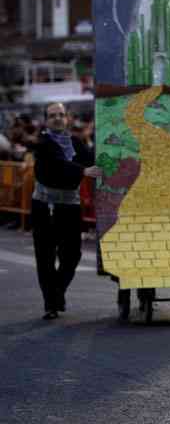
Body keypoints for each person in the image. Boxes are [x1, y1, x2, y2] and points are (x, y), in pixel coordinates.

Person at [32, 102, 102, 320]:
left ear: (67, 118)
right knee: (45, 257)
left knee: (72, 255)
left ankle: (57, 292)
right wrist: (83, 171)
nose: (57, 118)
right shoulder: (43, 143)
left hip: (70, 207)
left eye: (61, 115)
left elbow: (92, 158)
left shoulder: (76, 142)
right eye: (52, 115)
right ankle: (50, 304)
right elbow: (56, 165)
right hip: (44, 207)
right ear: (46, 120)